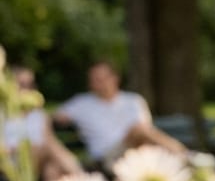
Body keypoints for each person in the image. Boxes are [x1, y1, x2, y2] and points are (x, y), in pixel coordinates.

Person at [54, 61, 186, 164]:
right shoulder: (81, 103)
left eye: (101, 79)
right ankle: (186, 156)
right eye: (93, 80)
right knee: (140, 131)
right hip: (106, 156)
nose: (96, 84)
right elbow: (55, 117)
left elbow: (146, 131)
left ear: (115, 78)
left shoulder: (134, 101)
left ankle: (182, 157)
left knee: (142, 136)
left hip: (137, 151)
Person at [3, 66, 82, 181]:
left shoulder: (40, 115)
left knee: (53, 170)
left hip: (41, 160)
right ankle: (83, 178)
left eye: (31, 85)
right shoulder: (3, 115)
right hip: (12, 164)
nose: (27, 89)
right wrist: (22, 149)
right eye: (22, 84)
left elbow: (50, 141)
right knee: (50, 148)